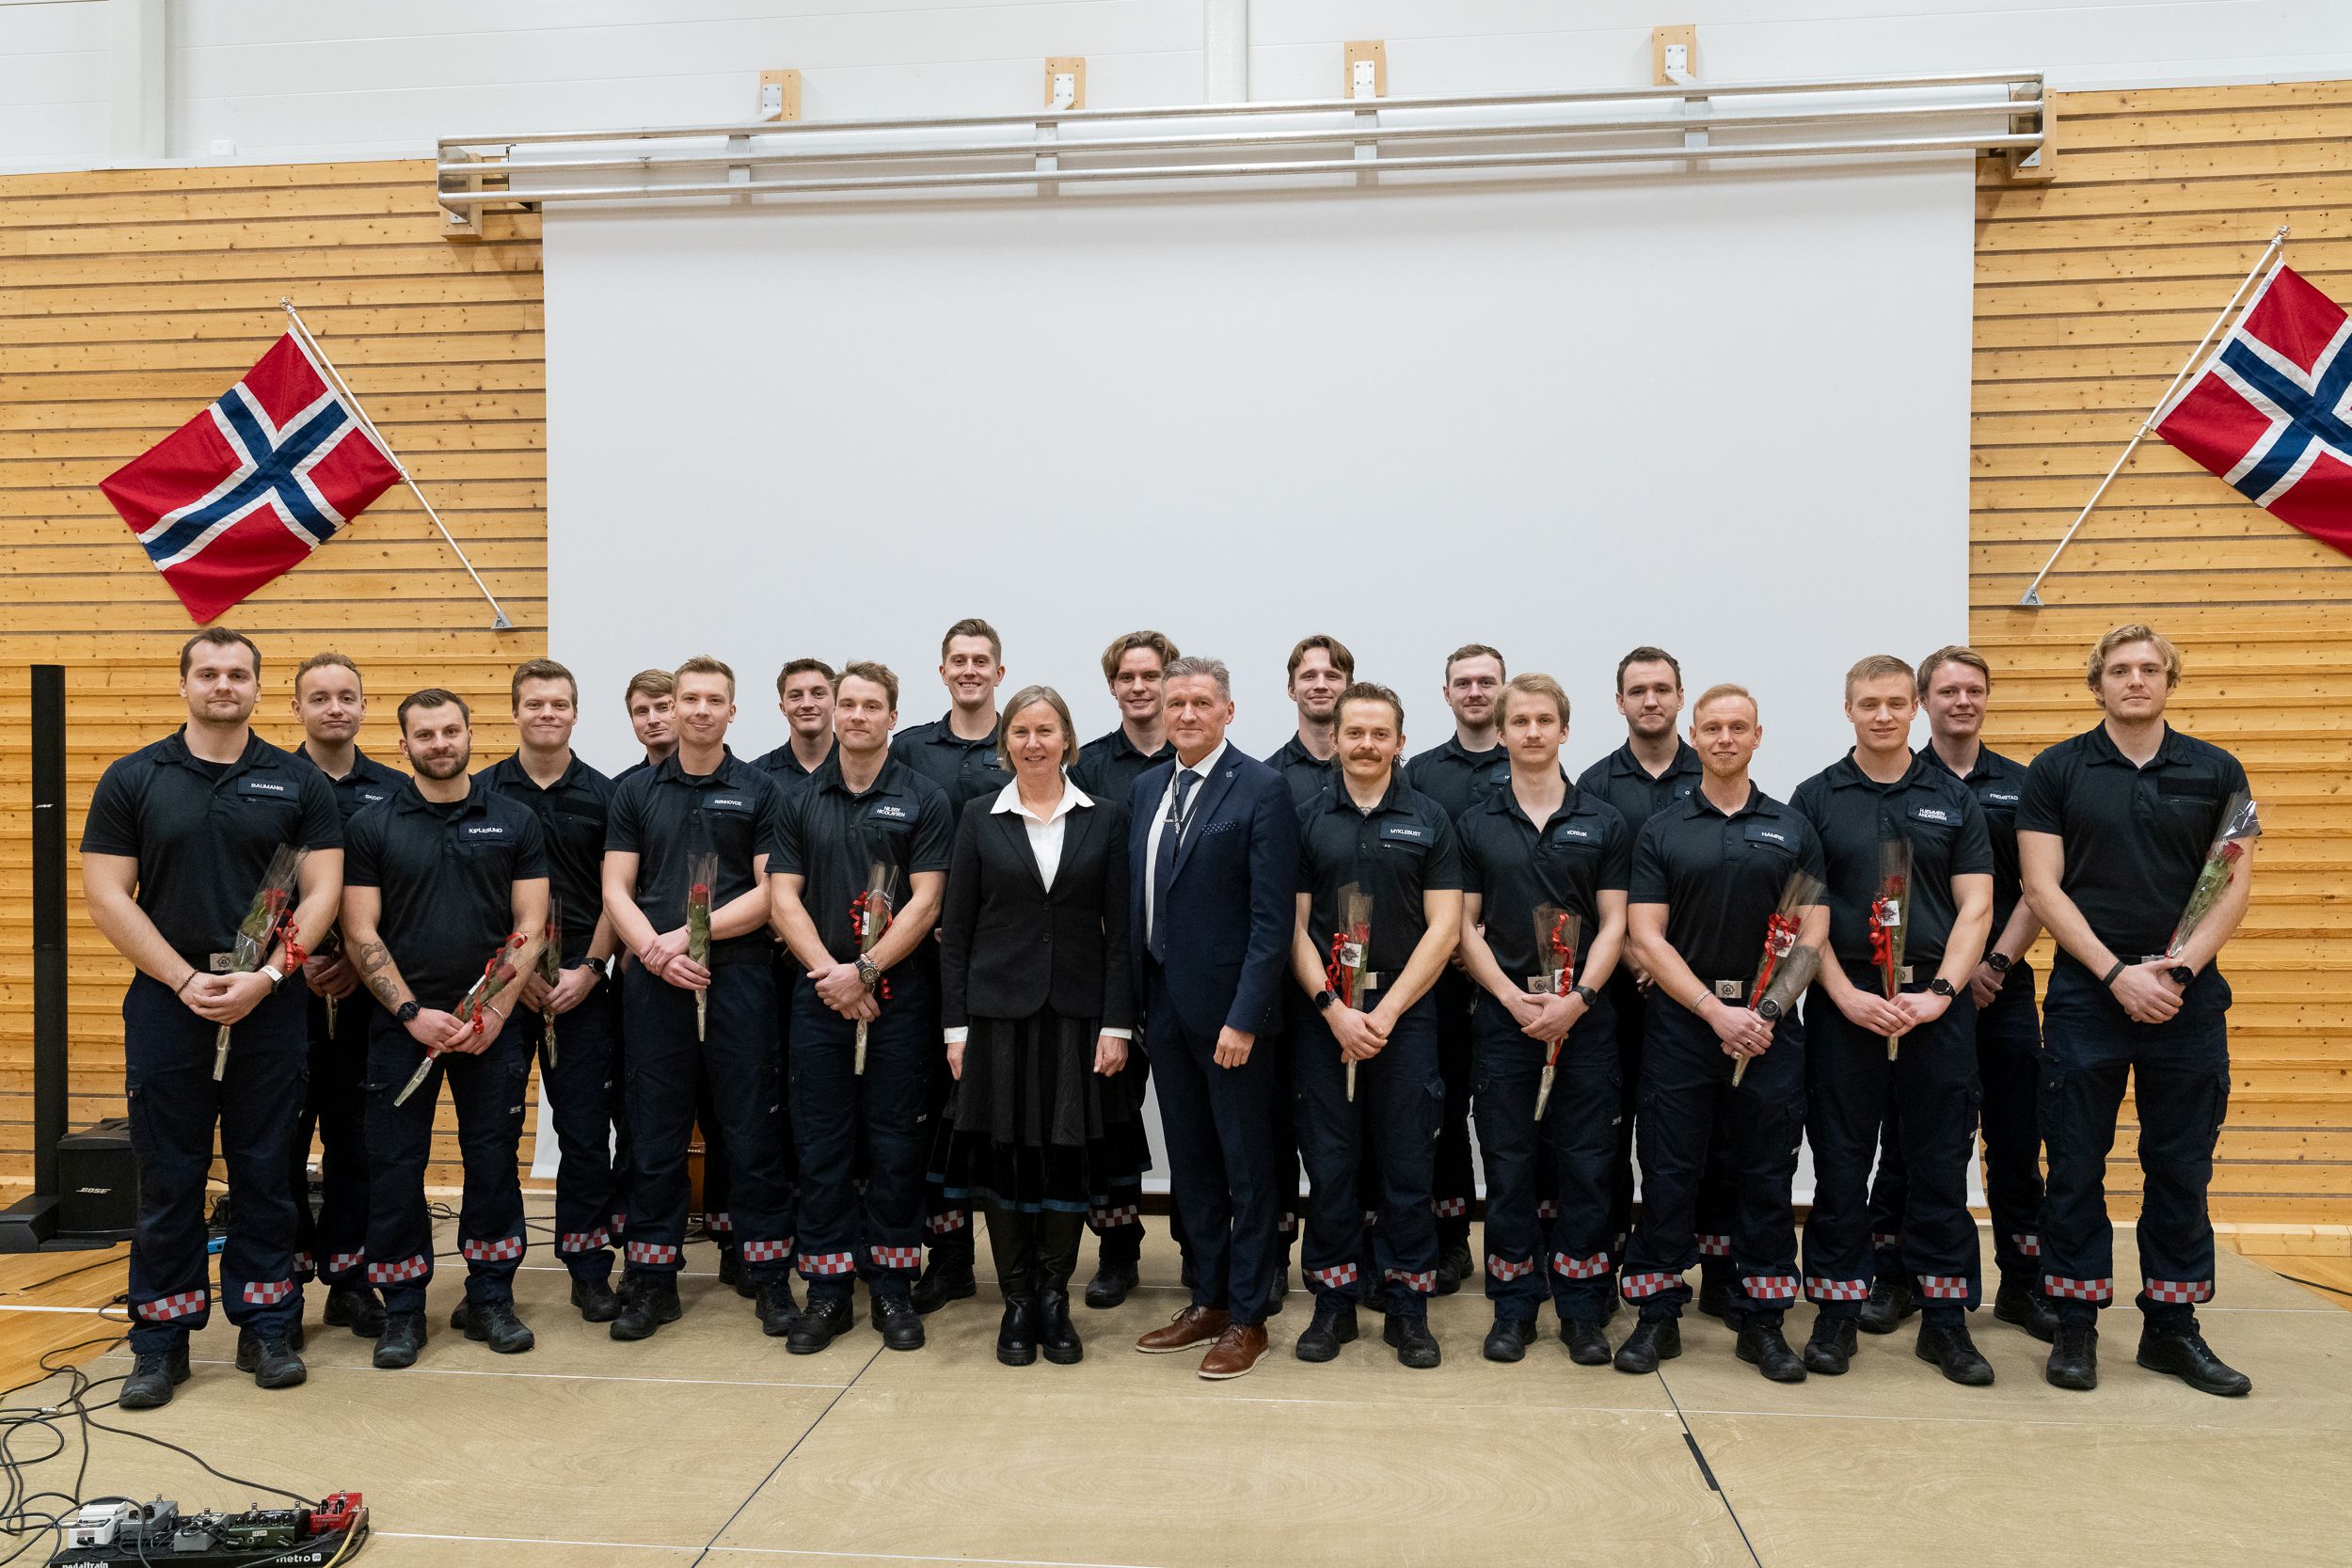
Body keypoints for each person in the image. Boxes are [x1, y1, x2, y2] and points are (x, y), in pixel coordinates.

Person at [86, 629, 343, 1410]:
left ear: (259, 689)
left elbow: (322, 893)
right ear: (186, 683)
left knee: (268, 1172)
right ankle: (160, 1341)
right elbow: (105, 895)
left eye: (238, 674)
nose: (223, 684)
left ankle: (266, 1324)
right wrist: (184, 977)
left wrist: (267, 977)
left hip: (270, 1007)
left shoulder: (298, 781)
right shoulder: (134, 778)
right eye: (209, 672)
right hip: (170, 1006)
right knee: (170, 1177)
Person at [2018, 625, 2255, 1397]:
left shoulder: (2220, 770)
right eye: (2120, 669)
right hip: (2089, 997)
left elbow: (2233, 882)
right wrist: (2119, 973)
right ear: (2098, 685)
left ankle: (2172, 1328)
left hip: (2187, 1000)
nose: (2135, 680)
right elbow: (2043, 887)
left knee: (2180, 1167)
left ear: (2168, 682)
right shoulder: (2055, 770)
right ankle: (2077, 1326)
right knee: (2076, 1167)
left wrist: (2177, 970)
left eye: (2150, 669)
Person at [1790, 655, 1995, 1386]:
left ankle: (1946, 1323)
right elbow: (1804, 910)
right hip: (1846, 1008)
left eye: (1894, 702)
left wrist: (1941, 990)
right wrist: (1842, 993)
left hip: (1933, 1009)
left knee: (1940, 1167)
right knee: (1842, 1168)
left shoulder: (1952, 796)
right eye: (1867, 703)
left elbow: (1977, 904)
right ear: (1847, 709)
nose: (1882, 714)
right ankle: (1836, 1314)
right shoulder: (1815, 797)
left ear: (1915, 707)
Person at [1614, 684, 1826, 1385]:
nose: (1726, 737)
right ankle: (1656, 1314)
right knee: (1671, 1170)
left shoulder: (1792, 827)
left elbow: (1812, 933)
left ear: (1758, 736)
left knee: (1764, 1174)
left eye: (1739, 727)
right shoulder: (1664, 829)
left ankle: (1762, 1321)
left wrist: (1763, 1014)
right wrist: (1714, 1010)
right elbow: (1647, 935)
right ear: (1695, 736)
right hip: (1683, 1026)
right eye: (1713, 727)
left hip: (1768, 1033)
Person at [933, 686, 1144, 1367]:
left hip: (1078, 1019)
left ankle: (1056, 1296)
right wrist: (954, 1029)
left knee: (1065, 1155)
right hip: (996, 1019)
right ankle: (1017, 1300)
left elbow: (1120, 936)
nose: (1032, 741)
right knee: (1005, 1159)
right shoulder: (977, 817)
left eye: (1046, 729)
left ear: (1067, 741)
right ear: (1007, 742)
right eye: (1021, 730)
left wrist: (1118, 1024)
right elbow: (957, 932)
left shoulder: (1104, 818)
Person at [343, 689, 549, 1368]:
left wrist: (493, 1008)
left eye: (450, 730)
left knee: (492, 1161)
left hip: (493, 1028)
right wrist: (409, 1012)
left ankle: (490, 1296)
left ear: (469, 734)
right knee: (396, 1166)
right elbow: (359, 929)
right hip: (401, 1027)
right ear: (403, 744)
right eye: (424, 734)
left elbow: (531, 925)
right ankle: (402, 1308)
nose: (439, 743)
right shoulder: (373, 825)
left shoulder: (514, 818)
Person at [1862, 647, 2058, 1343]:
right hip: (1917, 991)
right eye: (1947, 690)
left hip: (1998, 984)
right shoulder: (1897, 780)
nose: (1962, 701)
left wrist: (1993, 961)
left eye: (1974, 689)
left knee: (2013, 1134)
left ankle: (2023, 1284)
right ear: (1923, 701)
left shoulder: (2022, 782)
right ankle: (1898, 1277)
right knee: (1909, 1136)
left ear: (1987, 698)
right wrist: (1946, 973)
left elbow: (2040, 887)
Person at [602, 657, 799, 1341]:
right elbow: (616, 889)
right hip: (653, 984)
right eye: (690, 698)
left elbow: (772, 892)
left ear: (732, 711)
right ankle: (651, 1282)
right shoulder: (634, 792)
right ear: (674, 706)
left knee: (750, 1134)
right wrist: (655, 952)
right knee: (654, 1138)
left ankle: (770, 1278)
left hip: (737, 977)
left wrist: (687, 939)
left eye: (715, 699)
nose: (700, 709)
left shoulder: (761, 789)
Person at [771, 661, 953, 1354]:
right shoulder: (798, 798)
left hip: (899, 999)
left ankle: (892, 1288)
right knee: (820, 1147)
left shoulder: (923, 797)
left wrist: (868, 970)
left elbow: (927, 898)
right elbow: (783, 895)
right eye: (847, 704)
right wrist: (831, 974)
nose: (855, 715)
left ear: (891, 717)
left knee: (895, 1145)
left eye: (870, 705)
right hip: (819, 997)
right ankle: (825, 1291)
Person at [1128, 657, 1299, 1380]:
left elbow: (1272, 920)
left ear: (1228, 711)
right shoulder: (1146, 789)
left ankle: (1251, 1314)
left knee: (1247, 1168)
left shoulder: (1262, 789)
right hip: (1165, 1011)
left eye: (1201, 702)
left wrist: (1246, 1017)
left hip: (1233, 1021)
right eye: (1177, 704)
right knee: (1191, 1164)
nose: (1187, 714)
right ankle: (1209, 1299)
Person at [1454, 673, 1630, 1365]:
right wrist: (1509, 996)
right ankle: (1515, 1304)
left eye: (1544, 719)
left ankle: (1583, 1309)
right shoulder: (1475, 823)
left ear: (1564, 729)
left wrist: (1578, 999)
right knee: (1508, 1165)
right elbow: (1464, 926)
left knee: (1587, 1166)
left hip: (1586, 1017)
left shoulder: (1604, 819)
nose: (1531, 731)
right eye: (1518, 720)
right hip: (1506, 1017)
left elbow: (1616, 921)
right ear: (1500, 733)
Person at [1286, 682, 1462, 1369]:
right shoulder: (1304, 818)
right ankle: (1334, 1303)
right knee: (1330, 1166)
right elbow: (1293, 927)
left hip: (1405, 1017)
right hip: (1324, 1019)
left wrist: (1385, 1012)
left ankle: (1408, 1306)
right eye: (1352, 732)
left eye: (1377, 733)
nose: (1364, 744)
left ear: (1399, 740)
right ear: (1335, 739)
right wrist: (1334, 1008)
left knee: (1408, 1162)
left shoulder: (1430, 819)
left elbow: (1445, 925)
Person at [1574, 646, 1730, 1315]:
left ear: (1680, 698)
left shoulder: (1717, 770)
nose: (1650, 700)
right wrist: (1636, 957)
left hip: (1692, 1000)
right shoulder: (1594, 784)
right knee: (1610, 1134)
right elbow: (1585, 894)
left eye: (1662, 688)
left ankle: (1717, 1272)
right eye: (1637, 690)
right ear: (1619, 702)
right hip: (1618, 991)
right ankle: (1609, 1271)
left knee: (1701, 1137)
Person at [478, 658, 629, 1323]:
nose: (547, 713)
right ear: (515, 711)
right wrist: (518, 977)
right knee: (493, 1134)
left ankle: (590, 1268)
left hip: (581, 990)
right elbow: (478, 900)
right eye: (534, 702)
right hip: (505, 992)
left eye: (559, 703)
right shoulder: (481, 792)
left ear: (574, 712)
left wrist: (589, 969)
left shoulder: (605, 795)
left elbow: (615, 894)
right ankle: (492, 1278)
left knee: (586, 1136)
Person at [286, 651, 403, 1338]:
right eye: (320, 696)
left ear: (364, 706)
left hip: (368, 997)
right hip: (281, 993)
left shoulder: (394, 790)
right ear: (296, 707)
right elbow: (262, 887)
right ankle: (283, 1285)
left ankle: (353, 1280)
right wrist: (290, 960)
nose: (335, 707)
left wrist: (361, 966)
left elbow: (409, 894)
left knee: (359, 1144)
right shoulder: (268, 779)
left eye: (347, 696)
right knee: (278, 1143)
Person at [893, 619, 1009, 1311]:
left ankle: (1016, 1260)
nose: (969, 670)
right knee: (932, 1115)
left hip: (1002, 970)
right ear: (942, 672)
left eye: (981, 660)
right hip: (919, 968)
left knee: (995, 1113)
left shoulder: (1024, 739)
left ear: (1000, 671)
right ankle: (948, 1256)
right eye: (958, 660)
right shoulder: (909, 751)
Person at [1067, 629, 1178, 1307]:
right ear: (1112, 687)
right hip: (1113, 971)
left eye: (1152, 674)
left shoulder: (1199, 759)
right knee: (1111, 1118)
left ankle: (1201, 1250)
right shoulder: (1090, 769)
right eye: (1127, 676)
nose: (1141, 686)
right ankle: (1118, 1251)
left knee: (1197, 1117)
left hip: (1186, 974)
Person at [1403, 642, 1511, 1292]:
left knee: (1506, 1112)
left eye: (1487, 681)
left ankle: (1515, 1242)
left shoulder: (1535, 761)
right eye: (1463, 682)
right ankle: (1447, 1240)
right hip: (1439, 978)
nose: (1475, 691)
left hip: (1512, 978)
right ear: (1445, 694)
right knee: (1437, 1112)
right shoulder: (1418, 773)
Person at [1266, 634, 1352, 806]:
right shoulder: (1267, 776)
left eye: (1332, 676)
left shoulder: (1374, 770)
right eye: (1309, 676)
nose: (1320, 685)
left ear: (1350, 689)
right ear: (1292, 689)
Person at [756, 657, 838, 785]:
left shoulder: (862, 769)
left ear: (836, 703)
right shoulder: (757, 776)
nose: (807, 704)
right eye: (796, 696)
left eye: (818, 694)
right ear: (783, 708)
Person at [616, 669, 676, 782]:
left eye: (663, 708)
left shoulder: (713, 775)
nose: (652, 720)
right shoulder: (620, 788)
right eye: (642, 711)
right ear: (632, 720)